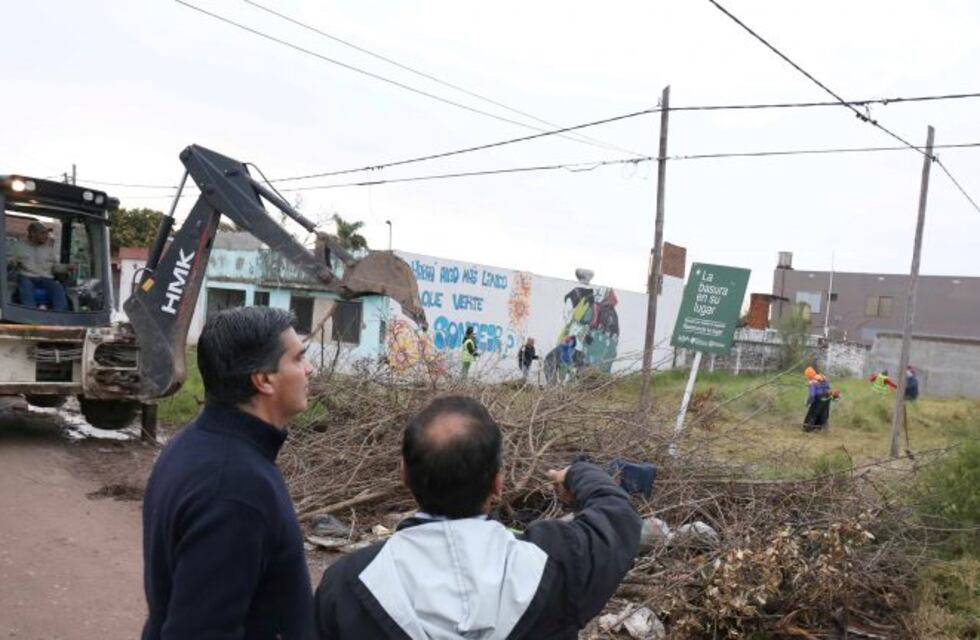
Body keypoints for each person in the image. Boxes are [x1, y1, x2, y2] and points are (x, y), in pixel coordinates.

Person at [314, 395, 642, 639]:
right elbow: (619, 516)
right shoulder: (558, 563)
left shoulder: (348, 584)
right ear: (498, 483)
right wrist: (577, 473)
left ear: (404, 475)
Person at [142, 306, 315, 640]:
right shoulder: (235, 487)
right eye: (297, 359)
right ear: (263, 380)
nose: (309, 369)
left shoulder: (197, 443)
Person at [9, 221, 71, 311]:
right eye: (43, 233)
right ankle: (30, 315)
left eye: (46, 233)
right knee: (25, 288)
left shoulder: (49, 249)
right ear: (33, 233)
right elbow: (10, 262)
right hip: (27, 276)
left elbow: (55, 267)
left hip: (46, 277)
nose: (46, 236)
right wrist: (13, 263)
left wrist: (66, 268)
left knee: (58, 288)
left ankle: (60, 315)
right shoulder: (19, 246)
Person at [802, 366, 835, 431]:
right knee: (824, 413)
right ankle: (823, 427)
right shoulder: (824, 378)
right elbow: (829, 388)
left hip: (819, 398)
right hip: (827, 398)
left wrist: (808, 402)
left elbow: (812, 395)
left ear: (808, 376)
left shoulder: (812, 382)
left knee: (813, 413)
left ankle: (808, 428)